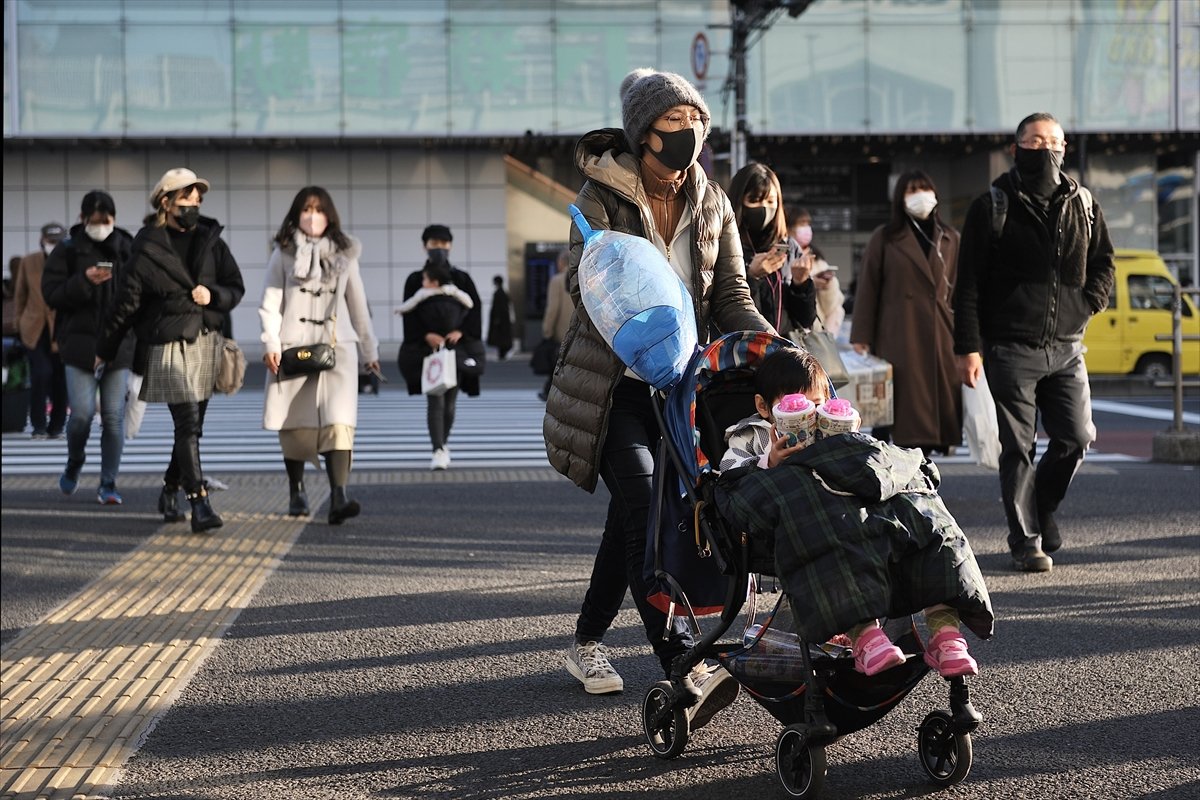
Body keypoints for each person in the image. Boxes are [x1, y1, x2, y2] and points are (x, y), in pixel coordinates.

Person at [543, 67, 771, 728]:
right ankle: (684, 665)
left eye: (696, 123)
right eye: (674, 125)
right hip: (612, 386)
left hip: (681, 390)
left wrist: (777, 351)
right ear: (644, 133)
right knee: (646, 507)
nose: (689, 136)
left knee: (630, 521)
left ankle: (585, 643)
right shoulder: (598, 201)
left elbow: (730, 297)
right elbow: (590, 298)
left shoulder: (712, 200)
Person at [717, 347, 989, 678]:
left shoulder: (831, 426)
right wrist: (770, 462)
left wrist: (852, 438)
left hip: (857, 508)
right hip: (810, 516)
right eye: (795, 407)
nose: (809, 416)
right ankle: (866, 636)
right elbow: (729, 475)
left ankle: (946, 637)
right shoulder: (751, 434)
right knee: (838, 544)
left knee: (926, 524)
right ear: (764, 407)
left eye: (816, 405)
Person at [953, 112, 1115, 573]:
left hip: (1067, 347)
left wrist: (1087, 304)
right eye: (1035, 141)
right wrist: (968, 347)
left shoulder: (1083, 202)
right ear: (1016, 148)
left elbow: (1105, 261)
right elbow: (967, 284)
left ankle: (1042, 507)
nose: (1045, 149)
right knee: (1018, 447)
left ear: (1064, 148)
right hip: (1010, 347)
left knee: (1076, 438)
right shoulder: (993, 205)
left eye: (1053, 141)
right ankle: (1025, 541)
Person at [97, 167, 245, 534]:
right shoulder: (146, 248)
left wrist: (214, 296)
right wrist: (106, 349)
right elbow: (125, 304)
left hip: (206, 339)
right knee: (188, 423)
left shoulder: (211, 238)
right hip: (167, 344)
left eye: (197, 197)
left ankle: (169, 489)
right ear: (166, 202)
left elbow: (235, 286)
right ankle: (199, 502)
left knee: (194, 428)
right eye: (186, 197)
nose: (194, 203)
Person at [259, 187, 380, 524]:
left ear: (330, 216)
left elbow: (358, 306)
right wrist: (270, 343)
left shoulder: (345, 254)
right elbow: (270, 303)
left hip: (337, 347)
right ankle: (297, 490)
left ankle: (339, 495)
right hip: (290, 348)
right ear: (297, 214)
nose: (313, 217)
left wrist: (369, 350)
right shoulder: (282, 252)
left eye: (319, 210)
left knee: (338, 423)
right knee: (295, 424)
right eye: (307, 210)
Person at [850, 170, 961, 453]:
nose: (920, 196)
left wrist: (970, 341)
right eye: (912, 190)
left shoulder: (950, 238)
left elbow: (963, 289)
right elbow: (868, 288)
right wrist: (861, 334)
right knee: (901, 415)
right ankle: (903, 473)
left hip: (942, 334)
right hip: (899, 335)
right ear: (900, 197)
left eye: (924, 188)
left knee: (935, 411)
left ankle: (923, 474)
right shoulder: (885, 238)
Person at [41, 191, 136, 504]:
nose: (100, 227)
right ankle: (75, 461)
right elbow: (51, 294)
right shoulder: (67, 250)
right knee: (80, 415)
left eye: (106, 221)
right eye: (94, 222)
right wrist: (84, 280)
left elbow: (138, 293)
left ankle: (108, 483)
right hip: (79, 345)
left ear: (114, 219)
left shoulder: (126, 247)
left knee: (113, 416)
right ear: (82, 219)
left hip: (118, 344)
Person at [397, 225, 483, 471]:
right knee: (435, 399)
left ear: (450, 246)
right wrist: (425, 335)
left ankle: (443, 444)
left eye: (444, 243)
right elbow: (409, 313)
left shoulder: (462, 278)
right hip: (428, 351)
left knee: (451, 401)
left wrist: (462, 333)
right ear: (425, 246)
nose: (439, 248)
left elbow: (474, 309)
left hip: (456, 349)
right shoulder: (416, 279)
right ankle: (438, 448)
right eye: (434, 243)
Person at [728, 163, 816, 337]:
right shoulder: (727, 245)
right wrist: (751, 276)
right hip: (741, 350)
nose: (764, 208)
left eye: (770, 201)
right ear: (739, 202)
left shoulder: (788, 247)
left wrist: (801, 284)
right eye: (754, 200)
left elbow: (806, 320)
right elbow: (724, 310)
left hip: (784, 351)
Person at [14, 223, 68, 439]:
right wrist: (19, 323)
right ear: (42, 240)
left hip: (62, 328)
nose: (53, 246)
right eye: (50, 241)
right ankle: (38, 424)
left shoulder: (70, 261)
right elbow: (20, 295)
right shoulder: (29, 262)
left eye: (57, 242)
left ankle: (56, 426)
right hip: (34, 328)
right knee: (41, 373)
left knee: (60, 377)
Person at [538, 249, 572, 401]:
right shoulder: (584, 277)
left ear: (561, 262)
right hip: (581, 332)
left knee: (557, 363)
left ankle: (551, 391)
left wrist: (547, 331)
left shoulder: (557, 280)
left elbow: (553, 309)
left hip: (562, 332)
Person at [487, 274, 514, 361]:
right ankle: (503, 352)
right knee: (503, 337)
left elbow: (498, 307)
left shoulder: (499, 293)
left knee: (500, 337)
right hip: (504, 320)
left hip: (500, 320)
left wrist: (497, 318)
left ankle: (502, 352)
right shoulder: (504, 293)